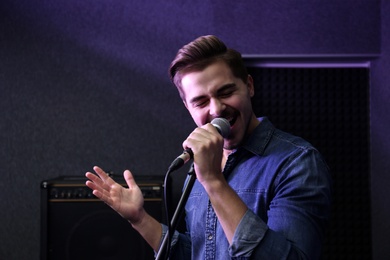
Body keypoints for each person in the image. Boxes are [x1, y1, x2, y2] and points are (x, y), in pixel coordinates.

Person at [86, 35, 332, 259]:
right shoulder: (200, 166)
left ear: (249, 86)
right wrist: (140, 219)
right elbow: (198, 253)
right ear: (187, 107)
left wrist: (214, 182)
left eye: (225, 92)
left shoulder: (296, 162)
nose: (216, 110)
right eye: (201, 101)